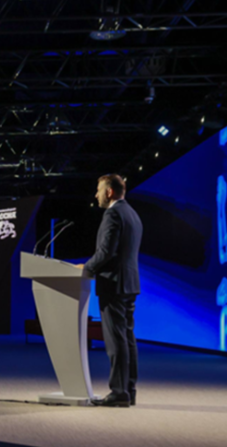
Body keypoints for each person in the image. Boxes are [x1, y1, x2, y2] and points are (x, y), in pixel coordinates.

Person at [76, 174, 143, 408]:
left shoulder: (113, 214)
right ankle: (129, 390)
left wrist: (87, 268)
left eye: (98, 189)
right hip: (129, 284)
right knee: (127, 338)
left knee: (116, 340)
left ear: (109, 191)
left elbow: (106, 251)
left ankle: (119, 392)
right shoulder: (132, 214)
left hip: (114, 284)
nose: (96, 194)